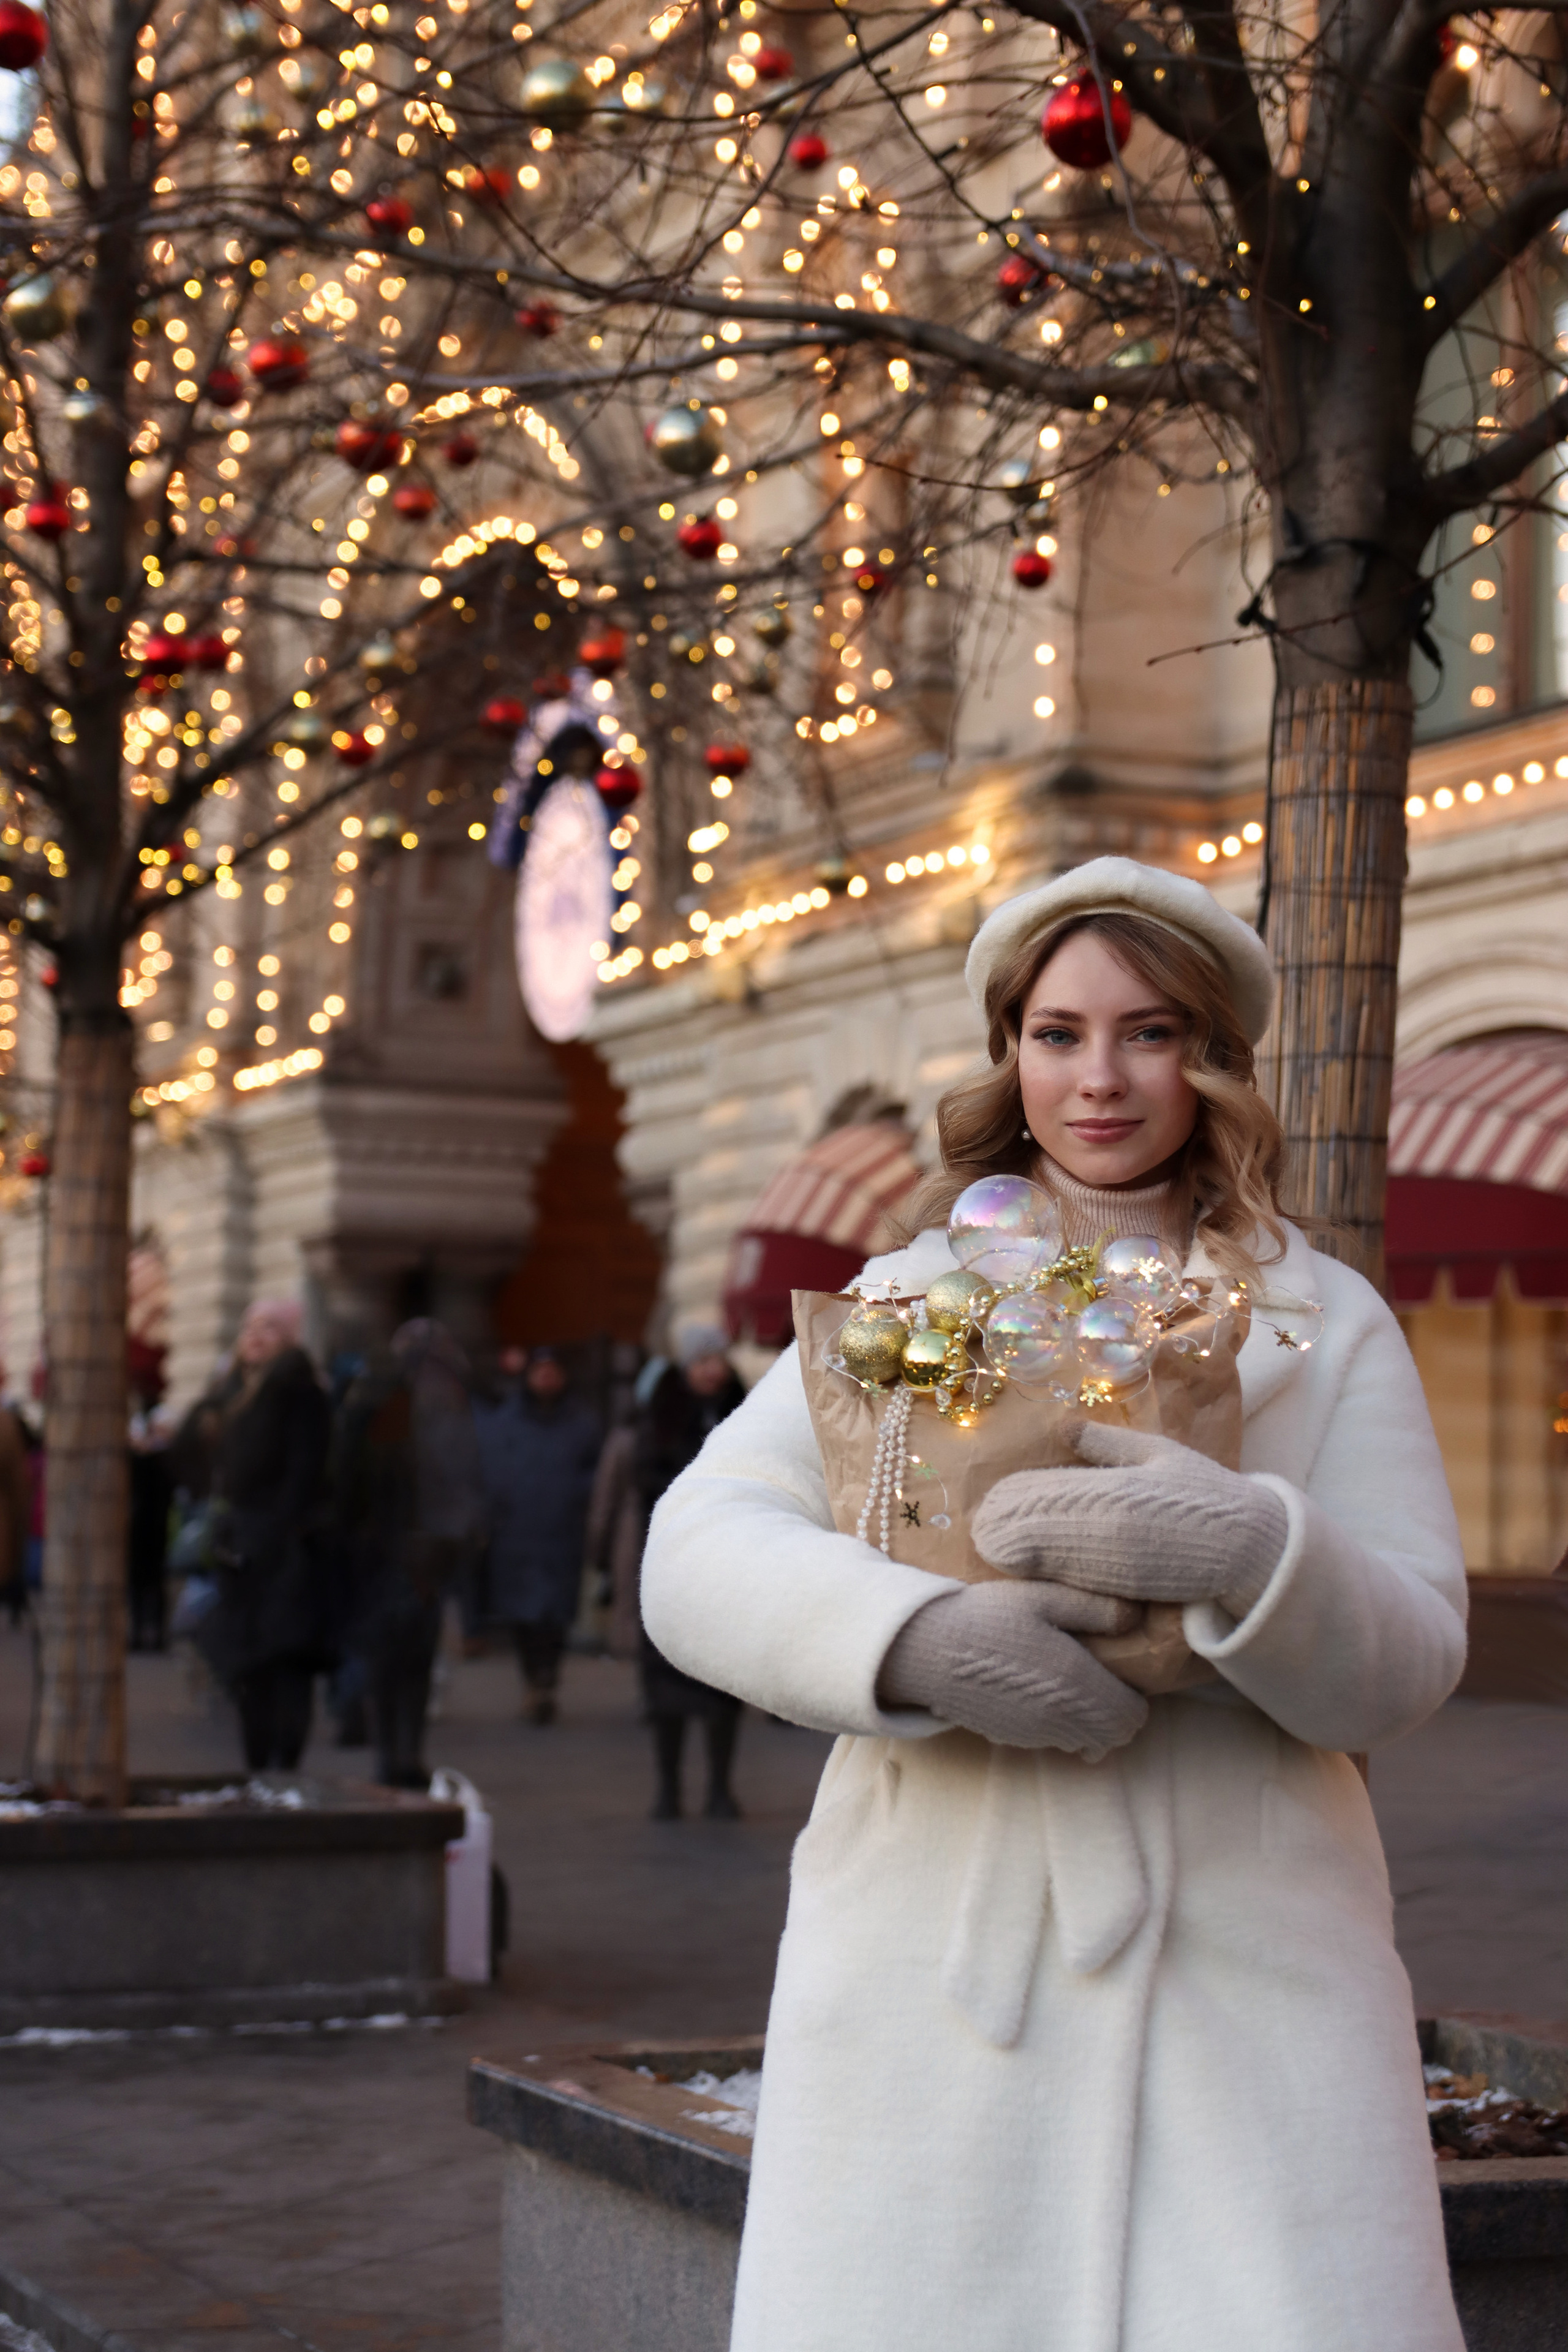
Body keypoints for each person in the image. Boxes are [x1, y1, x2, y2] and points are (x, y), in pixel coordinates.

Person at [641, 854, 1469, 2352]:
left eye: (1147, 1033)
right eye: (1056, 1033)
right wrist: (910, 1641)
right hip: (935, 1971)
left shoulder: (1318, 1315)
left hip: (1246, 1971)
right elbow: (695, 1547)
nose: (1098, 1078)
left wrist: (1252, 1555)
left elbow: (1409, 1653)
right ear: (1007, 1054)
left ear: (1209, 1058)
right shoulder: (904, 1300)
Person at [333, 1318, 483, 1788]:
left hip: (398, 1547)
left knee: (393, 1657)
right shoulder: (434, 1397)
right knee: (406, 1657)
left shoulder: (380, 1397)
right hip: (413, 1547)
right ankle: (401, 1754)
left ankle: (395, 1755)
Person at [187, 1300, 333, 1773]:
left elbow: (305, 1471)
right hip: (242, 1546)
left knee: (282, 1659)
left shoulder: (297, 1391)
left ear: (289, 1337)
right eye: (249, 1326)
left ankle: (281, 1764)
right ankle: (259, 1765)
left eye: (269, 1327)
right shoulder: (236, 1391)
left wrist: (280, 1533)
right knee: (250, 1663)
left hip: (281, 1549)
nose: (255, 1335)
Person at [636, 1329, 748, 1819]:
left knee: (724, 1679)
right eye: (701, 1361)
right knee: (667, 1682)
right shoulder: (662, 1410)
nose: (710, 1370)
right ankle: (668, 1789)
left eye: (716, 1360)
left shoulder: (744, 1409)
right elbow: (643, 1476)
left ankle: (720, 1788)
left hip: (730, 1559)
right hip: (673, 1557)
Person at [474, 1346, 600, 1724]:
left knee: (555, 1615)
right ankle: (533, 1679)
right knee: (523, 1617)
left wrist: (578, 1499)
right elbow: (490, 1472)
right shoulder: (505, 1422)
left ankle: (546, 1679)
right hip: (516, 1533)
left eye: (553, 1371)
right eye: (540, 1371)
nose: (546, 1378)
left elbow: (597, 1473)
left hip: (563, 1532)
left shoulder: (583, 1423)